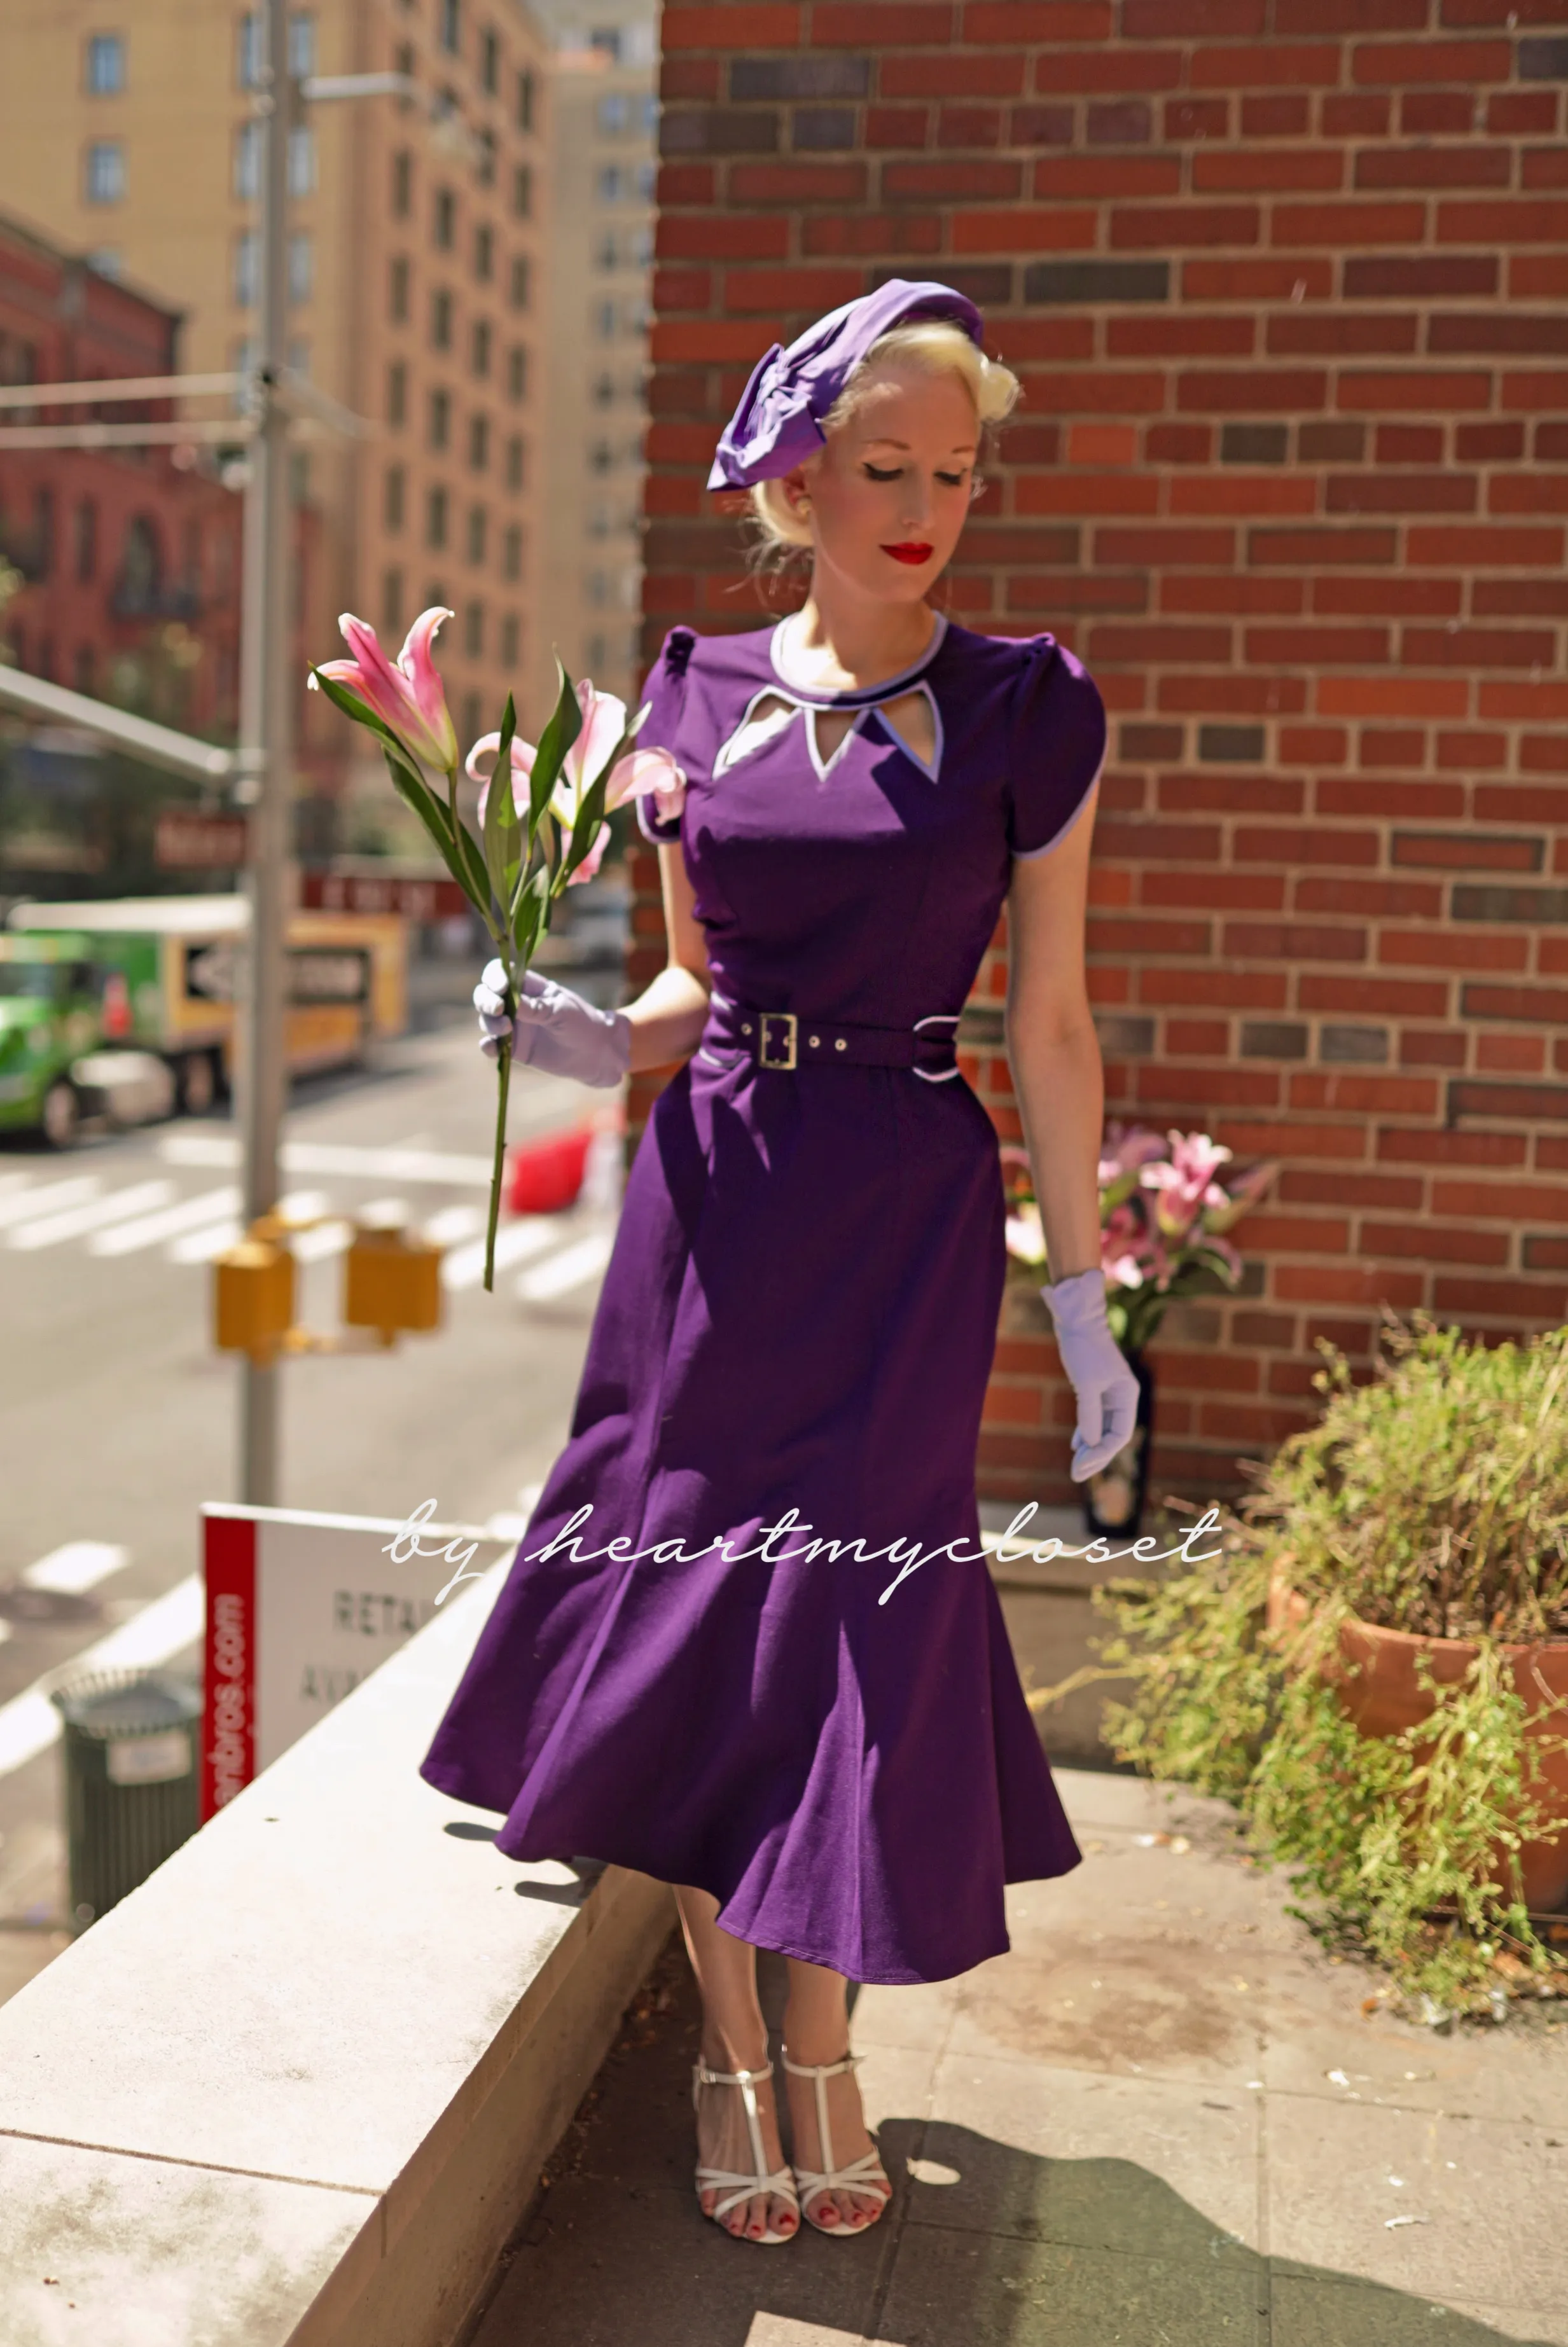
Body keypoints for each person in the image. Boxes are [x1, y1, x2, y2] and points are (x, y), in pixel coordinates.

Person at [420, 280, 1140, 2248]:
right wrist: (584, 1038)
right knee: (706, 1610)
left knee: (853, 1616)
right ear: (795, 475)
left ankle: (828, 2053)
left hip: (906, 1204)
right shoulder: (691, 694)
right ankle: (742, 2049)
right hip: (719, 1192)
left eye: (959, 473)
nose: (925, 507)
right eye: (885, 469)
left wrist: (1083, 1299)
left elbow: (1054, 1027)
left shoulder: (1030, 703)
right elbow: (685, 985)